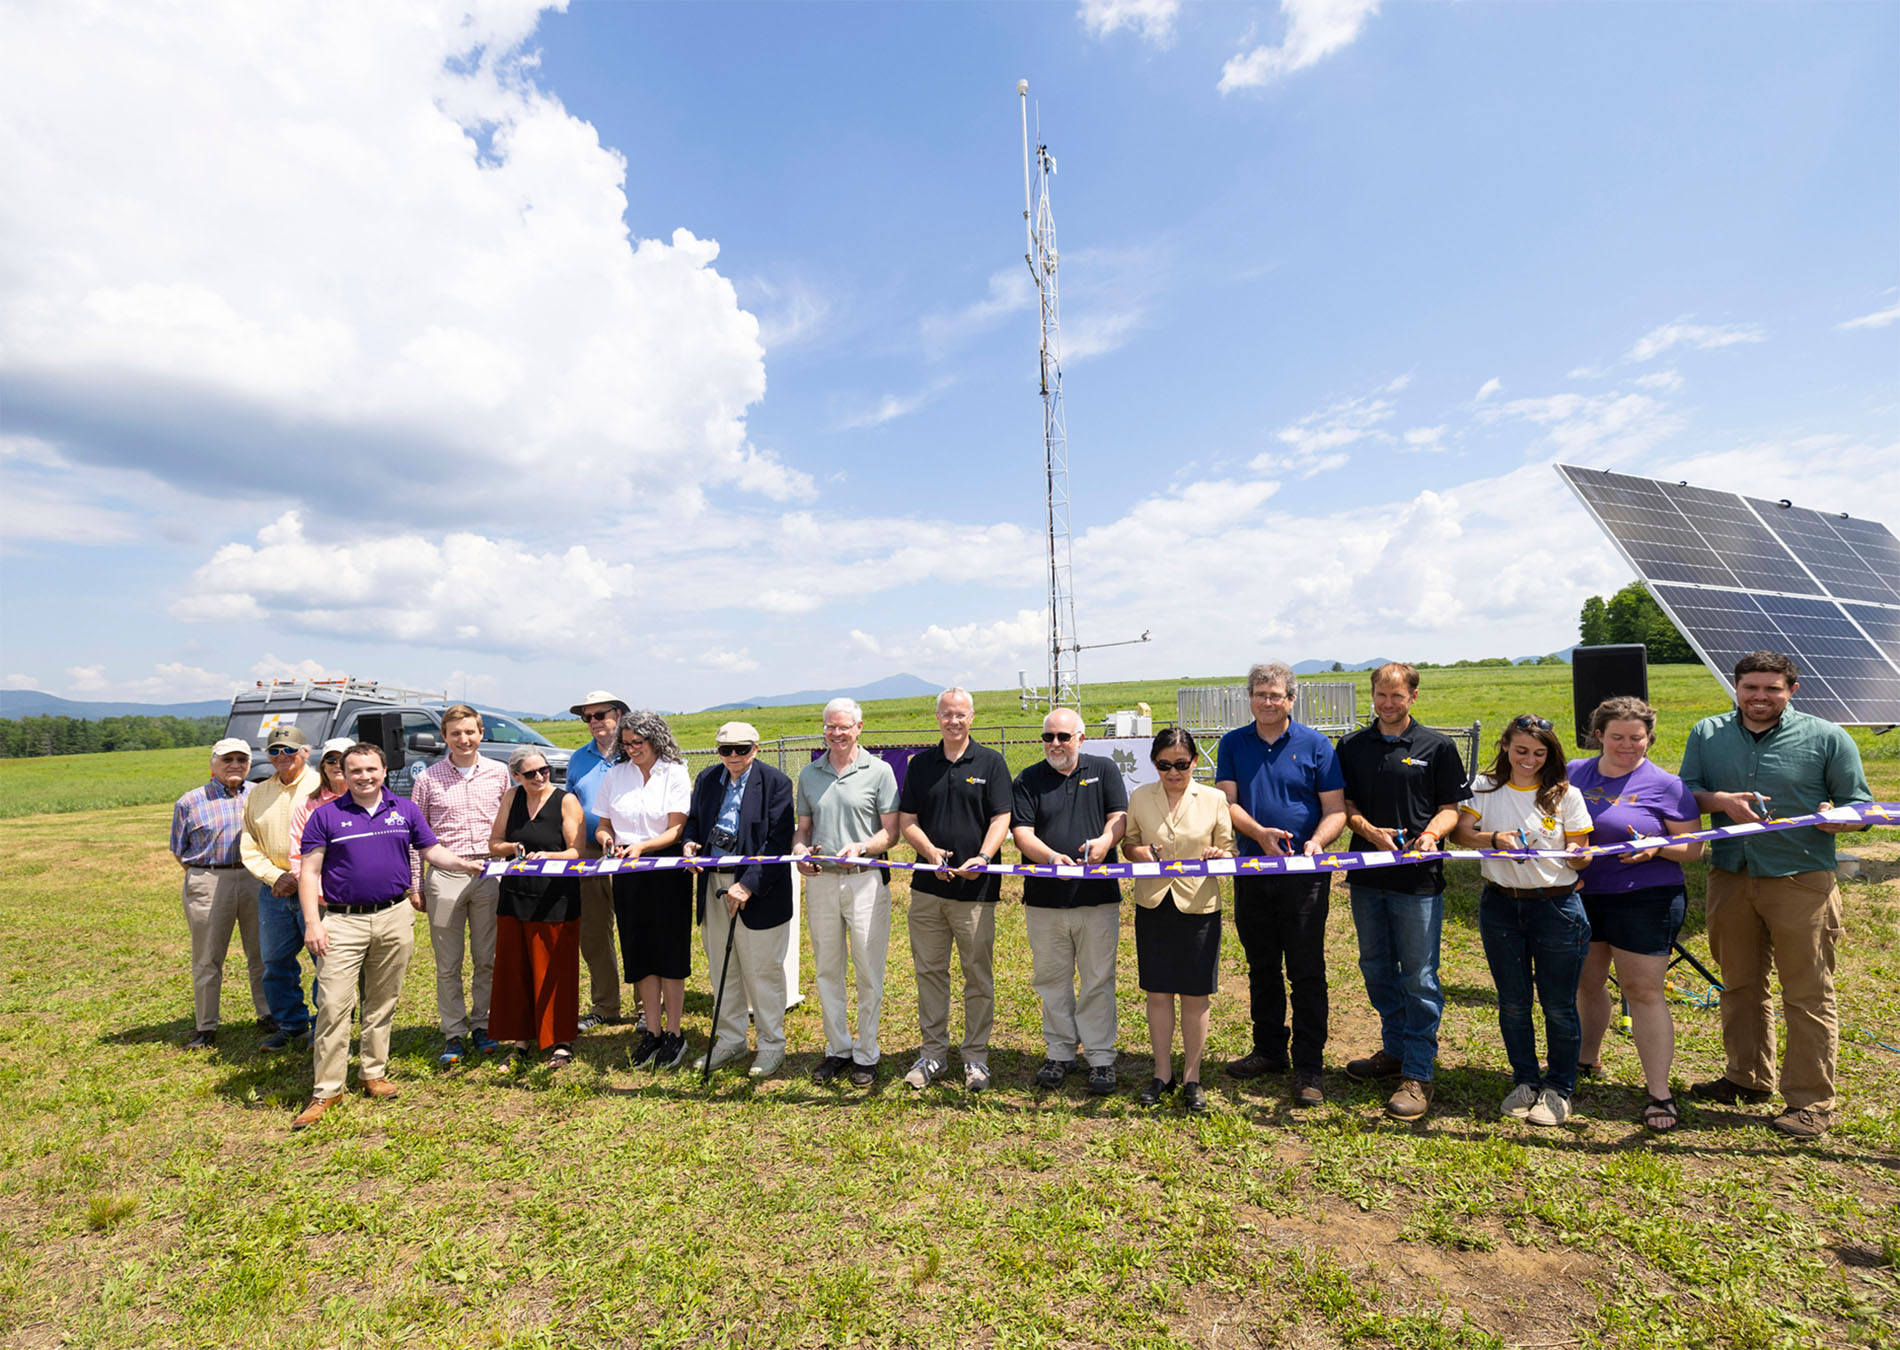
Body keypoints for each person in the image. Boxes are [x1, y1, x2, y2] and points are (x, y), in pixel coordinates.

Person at [1680, 650, 1873, 1139]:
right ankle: (1746, 1078)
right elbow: (1685, 793)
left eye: (1772, 689)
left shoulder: (1828, 737)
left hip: (1800, 879)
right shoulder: (1707, 733)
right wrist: (1718, 801)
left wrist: (1841, 815)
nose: (1760, 697)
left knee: (1807, 993)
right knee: (1740, 985)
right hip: (1730, 875)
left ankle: (1811, 1102)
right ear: (1736, 687)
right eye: (1751, 688)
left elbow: (1861, 804)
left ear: (1792, 690)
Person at [291, 743, 486, 1129]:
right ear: (343, 775)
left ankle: (372, 1073)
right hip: (342, 921)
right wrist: (313, 922)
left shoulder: (404, 809)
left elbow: (432, 851)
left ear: (384, 771)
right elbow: (309, 872)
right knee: (333, 1004)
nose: (364, 777)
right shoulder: (325, 816)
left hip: (395, 916)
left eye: (371, 769)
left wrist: (464, 863)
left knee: (382, 1001)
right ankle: (326, 1090)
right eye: (356, 771)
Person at [1334, 663, 1469, 1121]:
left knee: (1419, 975)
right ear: (1371, 695)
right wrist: (1366, 829)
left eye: (1397, 696)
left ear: (1413, 696)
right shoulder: (1352, 745)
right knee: (1375, 967)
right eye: (1380, 695)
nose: (1388, 704)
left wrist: (1431, 835)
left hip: (1419, 882)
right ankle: (1393, 1050)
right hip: (1368, 877)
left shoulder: (1438, 746)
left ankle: (1418, 1071)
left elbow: (1451, 808)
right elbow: (1344, 804)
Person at [1569, 696, 1704, 1133]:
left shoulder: (1668, 785)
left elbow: (1694, 848)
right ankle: (1585, 1061)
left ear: (1649, 738)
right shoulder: (1572, 774)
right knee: (1586, 983)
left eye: (1637, 738)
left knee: (1642, 990)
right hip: (1584, 896)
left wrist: (1657, 848)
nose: (1627, 745)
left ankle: (1659, 1092)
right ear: (1599, 736)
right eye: (1617, 737)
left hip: (1647, 898)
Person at [1215, 661, 1347, 1106]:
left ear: (1291, 699)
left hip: (1306, 877)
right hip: (1253, 872)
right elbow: (1227, 804)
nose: (1267, 702)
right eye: (1259, 694)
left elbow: (1336, 810)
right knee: (1262, 967)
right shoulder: (1233, 743)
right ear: (1248, 698)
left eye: (1276, 695)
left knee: (1307, 970)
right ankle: (1269, 1050)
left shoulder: (1316, 745)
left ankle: (1309, 1064)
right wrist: (1260, 835)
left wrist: (1316, 843)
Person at [1452, 715, 1593, 1127]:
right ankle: (1525, 1081)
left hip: (1556, 908)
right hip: (1500, 906)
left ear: (1550, 754)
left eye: (1538, 752)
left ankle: (1559, 1089)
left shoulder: (1566, 795)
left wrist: (1576, 855)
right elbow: (1461, 834)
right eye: (1520, 750)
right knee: (1513, 1003)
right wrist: (1494, 840)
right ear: (1504, 747)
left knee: (1558, 1005)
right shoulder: (1484, 787)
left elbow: (1582, 851)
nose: (1529, 759)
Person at [896, 688, 1013, 1092]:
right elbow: (908, 819)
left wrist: (982, 856)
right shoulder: (920, 765)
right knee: (930, 973)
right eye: (947, 714)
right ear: (937, 717)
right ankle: (932, 1054)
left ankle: (976, 1058)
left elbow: (1002, 817)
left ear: (972, 717)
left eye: (960, 714)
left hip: (975, 891)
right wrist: (929, 853)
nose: (954, 721)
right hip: (928, 890)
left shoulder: (991, 762)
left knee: (976, 975)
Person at [1011, 706, 1128, 1095]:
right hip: (1045, 901)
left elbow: (1119, 818)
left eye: (1063, 736)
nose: (1055, 744)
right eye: (1048, 737)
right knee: (1051, 980)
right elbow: (1021, 833)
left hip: (1097, 898)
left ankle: (1100, 1058)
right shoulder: (1028, 778)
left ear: (1081, 737)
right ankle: (1059, 1052)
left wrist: (1106, 841)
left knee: (1098, 979)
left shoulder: (1105, 769)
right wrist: (1050, 858)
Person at [1122, 728, 1235, 1114]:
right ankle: (1162, 1073)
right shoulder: (1139, 796)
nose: (1173, 772)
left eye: (1182, 765)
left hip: (1199, 906)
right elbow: (1129, 843)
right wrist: (1141, 852)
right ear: (1154, 764)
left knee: (1195, 994)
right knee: (1157, 993)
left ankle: (1192, 1077)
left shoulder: (1215, 799)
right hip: (1153, 904)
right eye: (1164, 765)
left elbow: (1229, 848)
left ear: (1195, 762)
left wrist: (1220, 854)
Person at [793, 697, 900, 1087]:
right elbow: (803, 829)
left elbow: (892, 832)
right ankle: (837, 1049)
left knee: (869, 970)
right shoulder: (810, 774)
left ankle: (867, 1052)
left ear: (859, 727)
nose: (836, 733)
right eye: (830, 727)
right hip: (821, 882)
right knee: (827, 969)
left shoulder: (881, 771)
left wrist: (863, 847)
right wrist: (800, 851)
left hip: (865, 880)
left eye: (843, 727)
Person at [682, 721, 797, 1078]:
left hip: (757, 891)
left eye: (742, 749)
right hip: (713, 885)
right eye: (725, 750)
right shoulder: (706, 780)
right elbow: (695, 821)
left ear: (756, 748)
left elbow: (778, 841)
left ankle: (771, 1045)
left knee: (763, 971)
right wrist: (688, 842)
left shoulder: (776, 783)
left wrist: (747, 885)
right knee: (722, 969)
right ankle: (730, 1041)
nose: (733, 756)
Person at [410, 704, 510, 1067]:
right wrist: (415, 884)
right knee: (448, 962)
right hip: (446, 875)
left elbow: (508, 825)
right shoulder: (428, 779)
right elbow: (414, 837)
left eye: (470, 732)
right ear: (444, 737)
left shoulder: (499, 774)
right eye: (455, 733)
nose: (464, 739)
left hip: (489, 871)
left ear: (481, 733)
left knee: (488, 958)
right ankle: (454, 1031)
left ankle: (483, 1024)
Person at [598, 710, 693, 1069]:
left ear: (655, 739)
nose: (632, 749)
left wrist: (643, 847)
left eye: (638, 743)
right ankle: (651, 1032)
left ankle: (674, 1033)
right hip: (627, 870)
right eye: (626, 744)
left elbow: (676, 829)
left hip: (666, 868)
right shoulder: (615, 775)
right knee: (639, 953)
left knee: (669, 952)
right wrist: (608, 840)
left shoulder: (675, 772)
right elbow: (604, 825)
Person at [488, 746, 587, 1069]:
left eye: (545, 770)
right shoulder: (510, 798)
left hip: (556, 897)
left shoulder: (566, 800)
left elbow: (576, 851)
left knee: (555, 969)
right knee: (516, 970)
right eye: (531, 774)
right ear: (516, 775)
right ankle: (520, 1040)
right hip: (515, 896)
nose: (541, 777)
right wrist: (515, 848)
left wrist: (549, 857)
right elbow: (495, 843)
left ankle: (561, 1039)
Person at [169, 737, 269, 1049]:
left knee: (262, 953)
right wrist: (209, 874)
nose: (235, 765)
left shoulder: (260, 794)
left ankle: (268, 1015)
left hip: (256, 878)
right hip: (210, 880)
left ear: (250, 764)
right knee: (208, 957)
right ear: (213, 763)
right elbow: (178, 849)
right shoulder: (190, 801)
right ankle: (206, 1027)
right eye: (227, 759)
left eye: (241, 759)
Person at [242, 724, 322, 1052]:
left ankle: (326, 1026)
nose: (282, 756)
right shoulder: (259, 793)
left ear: (305, 752)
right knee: (275, 961)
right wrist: (275, 877)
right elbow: (248, 842)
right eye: (274, 751)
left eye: (289, 750)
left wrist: (301, 876)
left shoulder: (323, 785)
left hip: (317, 888)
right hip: (274, 890)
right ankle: (291, 1024)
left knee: (325, 959)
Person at [566, 689, 629, 1032]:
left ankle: (645, 1006)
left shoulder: (637, 751)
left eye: (600, 715)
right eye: (587, 717)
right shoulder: (578, 758)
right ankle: (606, 1005)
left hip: (635, 853)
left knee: (635, 929)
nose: (593, 722)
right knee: (593, 933)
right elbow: (571, 806)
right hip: (589, 855)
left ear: (618, 715)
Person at [287, 738, 352, 892]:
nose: (337, 764)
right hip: (323, 896)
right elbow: (297, 854)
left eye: (343, 759)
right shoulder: (307, 805)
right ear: (323, 766)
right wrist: (319, 891)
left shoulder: (369, 802)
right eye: (331, 760)